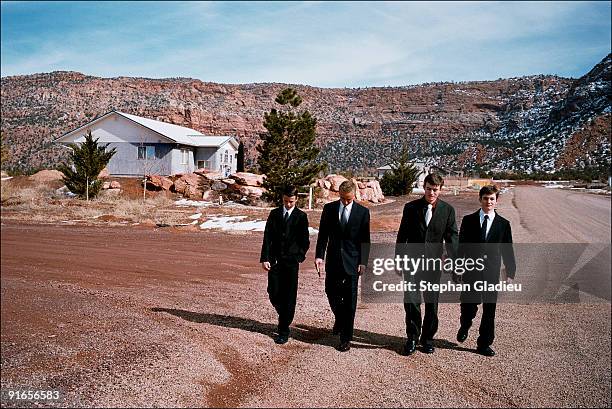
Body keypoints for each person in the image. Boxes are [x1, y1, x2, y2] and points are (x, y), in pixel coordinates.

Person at [396, 173, 458, 355]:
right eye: (429, 189)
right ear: (424, 187)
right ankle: (412, 338)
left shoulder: (447, 211)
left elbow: (452, 237)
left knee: (432, 303)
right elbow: (402, 235)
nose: (432, 193)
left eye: (435, 190)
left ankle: (428, 339)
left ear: (441, 190)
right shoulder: (411, 208)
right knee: (412, 302)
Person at [455, 184, 516, 357]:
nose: (488, 201)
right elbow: (461, 248)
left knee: (490, 310)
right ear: (480, 199)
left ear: (496, 201)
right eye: (485, 198)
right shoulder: (469, 220)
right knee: (468, 305)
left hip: (491, 273)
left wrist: (510, 273)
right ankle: (465, 324)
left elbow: (507, 250)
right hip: (471, 271)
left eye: (492, 199)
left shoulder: (503, 225)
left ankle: (484, 343)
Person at [315, 180, 371, 352]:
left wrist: (363, 262)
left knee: (350, 301)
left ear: (354, 196)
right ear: (339, 195)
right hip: (333, 261)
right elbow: (323, 235)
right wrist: (319, 256)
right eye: (343, 199)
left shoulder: (363, 212)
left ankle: (346, 338)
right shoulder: (329, 209)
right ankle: (340, 319)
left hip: (353, 263)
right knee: (330, 292)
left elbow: (365, 240)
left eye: (349, 199)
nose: (346, 202)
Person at [260, 186, 310, 344]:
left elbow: (305, 241)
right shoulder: (274, 214)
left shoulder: (301, 216)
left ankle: (283, 329)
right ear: (282, 199)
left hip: (291, 263)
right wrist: (265, 258)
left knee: (289, 296)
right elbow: (267, 237)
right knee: (273, 292)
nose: (288, 204)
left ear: (296, 200)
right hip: (275, 260)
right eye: (286, 201)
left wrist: (298, 257)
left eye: (291, 202)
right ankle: (285, 316)